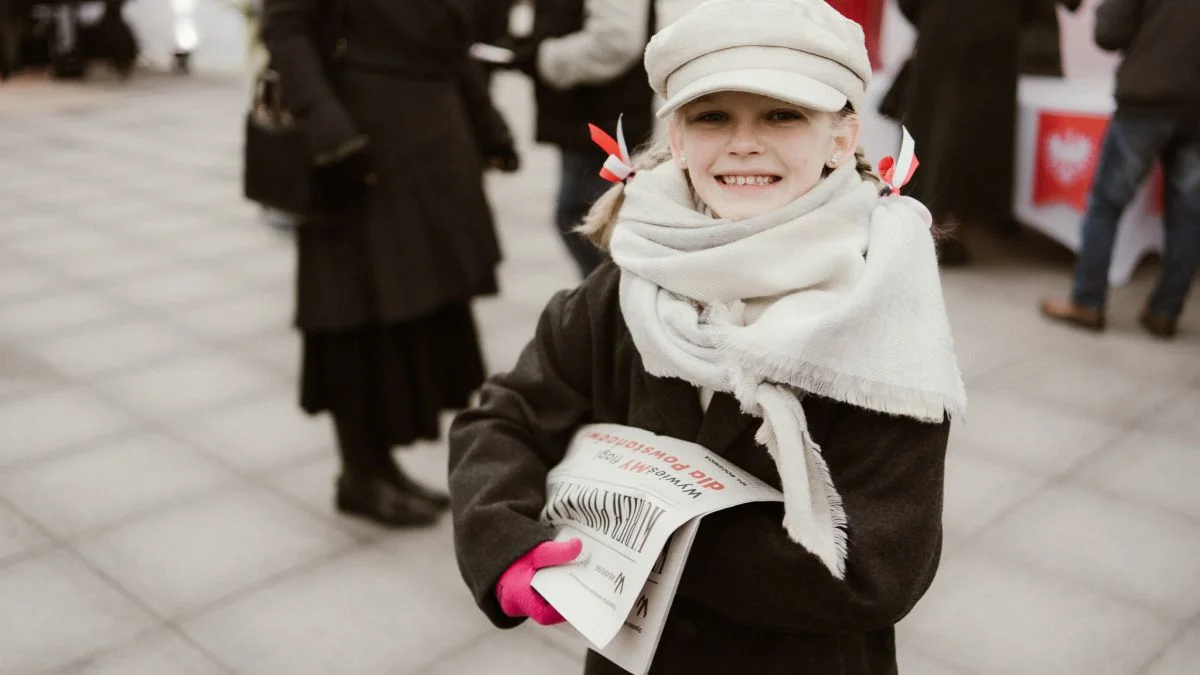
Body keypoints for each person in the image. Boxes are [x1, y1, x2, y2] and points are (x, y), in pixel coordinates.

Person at [448, 1, 966, 672]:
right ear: (679, 138)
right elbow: (503, 417)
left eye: (783, 114)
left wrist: (626, 531)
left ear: (841, 137)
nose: (744, 142)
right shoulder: (625, 285)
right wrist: (504, 535)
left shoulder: (885, 308)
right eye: (712, 115)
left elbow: (877, 568)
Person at [261, 0, 519, 527]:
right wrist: (328, 125)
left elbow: (453, 40)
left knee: (417, 313)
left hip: (433, 139)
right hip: (360, 149)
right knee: (355, 313)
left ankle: (381, 468)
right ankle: (361, 472)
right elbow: (287, 28)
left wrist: (486, 123)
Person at [1040, 0, 1200, 339]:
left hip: (1148, 98)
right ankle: (1165, 311)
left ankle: (1087, 300)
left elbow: (1109, 33)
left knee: (1105, 204)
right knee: (1188, 213)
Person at [492, 0, 658, 278]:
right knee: (583, 219)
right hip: (584, 117)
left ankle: (615, 312)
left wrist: (540, 56)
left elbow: (615, 40)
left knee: (595, 224)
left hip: (603, 119)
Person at [897, 0, 1041, 265]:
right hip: (995, 32)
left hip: (942, 26)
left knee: (936, 125)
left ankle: (930, 219)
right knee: (975, 130)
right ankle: (957, 222)